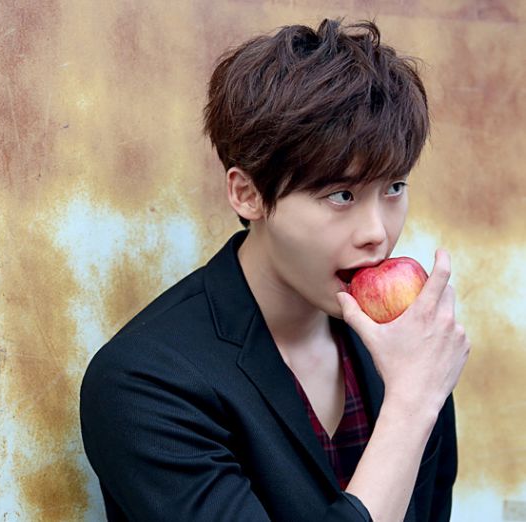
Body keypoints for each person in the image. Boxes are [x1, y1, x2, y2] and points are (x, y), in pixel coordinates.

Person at [79, 18, 470, 522]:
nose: (377, 231)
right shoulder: (145, 382)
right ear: (248, 194)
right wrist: (411, 406)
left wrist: (415, 392)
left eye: (394, 187)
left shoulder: (407, 342)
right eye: (341, 195)